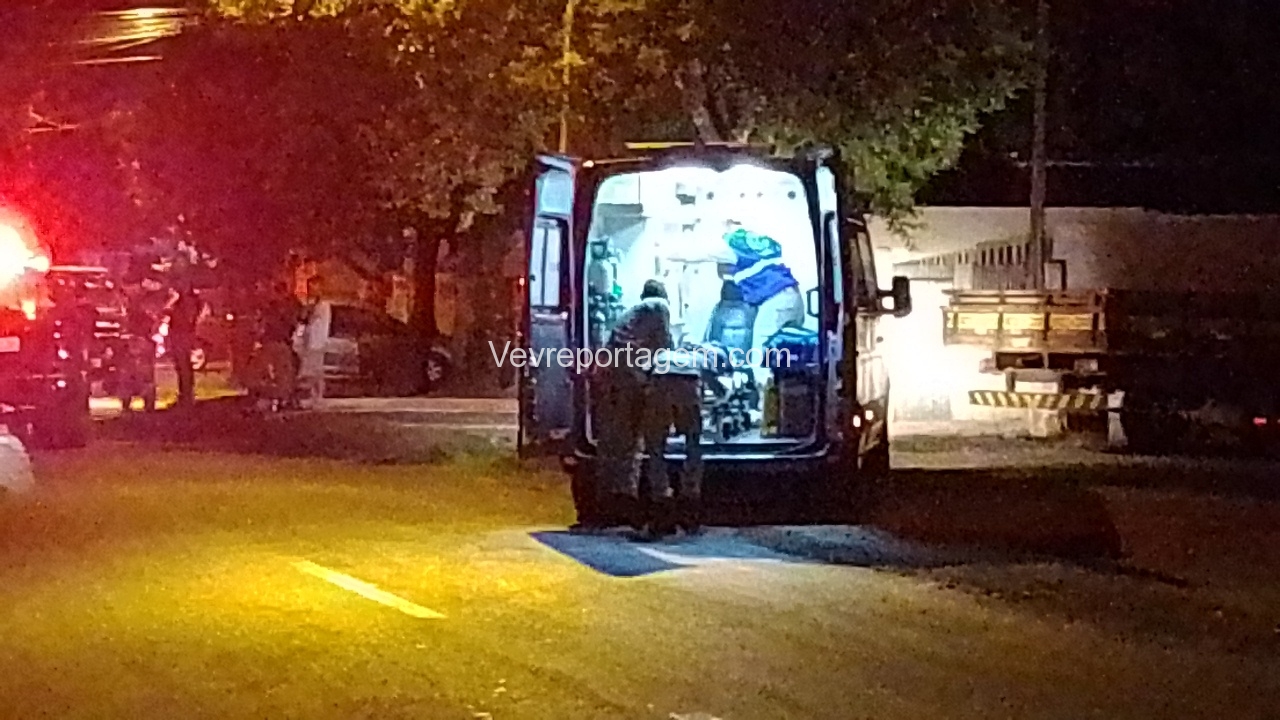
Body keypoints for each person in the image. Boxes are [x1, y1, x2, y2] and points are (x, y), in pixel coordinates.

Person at [581, 279, 673, 532]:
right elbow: (665, 344)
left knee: (614, 439)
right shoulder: (660, 305)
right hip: (628, 377)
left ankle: (607, 501)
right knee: (633, 439)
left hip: (611, 375)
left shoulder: (632, 312)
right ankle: (626, 501)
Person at [642, 350, 704, 538]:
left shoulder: (659, 355)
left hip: (660, 382)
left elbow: (643, 374)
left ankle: (661, 499)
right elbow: (711, 380)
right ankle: (690, 498)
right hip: (689, 383)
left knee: (655, 447)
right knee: (693, 444)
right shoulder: (698, 357)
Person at [250, 280, 301, 411]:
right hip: (279, 343)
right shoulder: (287, 307)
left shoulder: (273, 307)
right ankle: (282, 399)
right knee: (282, 373)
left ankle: (273, 398)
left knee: (271, 372)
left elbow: (263, 325)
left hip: (273, 342)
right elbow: (294, 323)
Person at [296, 276, 331, 407]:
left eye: (313, 287)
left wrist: (307, 311)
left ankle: (316, 396)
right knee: (315, 370)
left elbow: (310, 320)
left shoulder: (323, 305)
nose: (310, 290)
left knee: (314, 370)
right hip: (310, 341)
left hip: (317, 341)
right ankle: (316, 396)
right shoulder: (314, 304)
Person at [166, 281, 202, 409]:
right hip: (183, 336)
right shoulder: (192, 302)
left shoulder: (185, 303)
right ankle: (186, 395)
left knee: (183, 367)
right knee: (183, 367)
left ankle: (186, 396)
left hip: (181, 336)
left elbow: (167, 311)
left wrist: (172, 300)